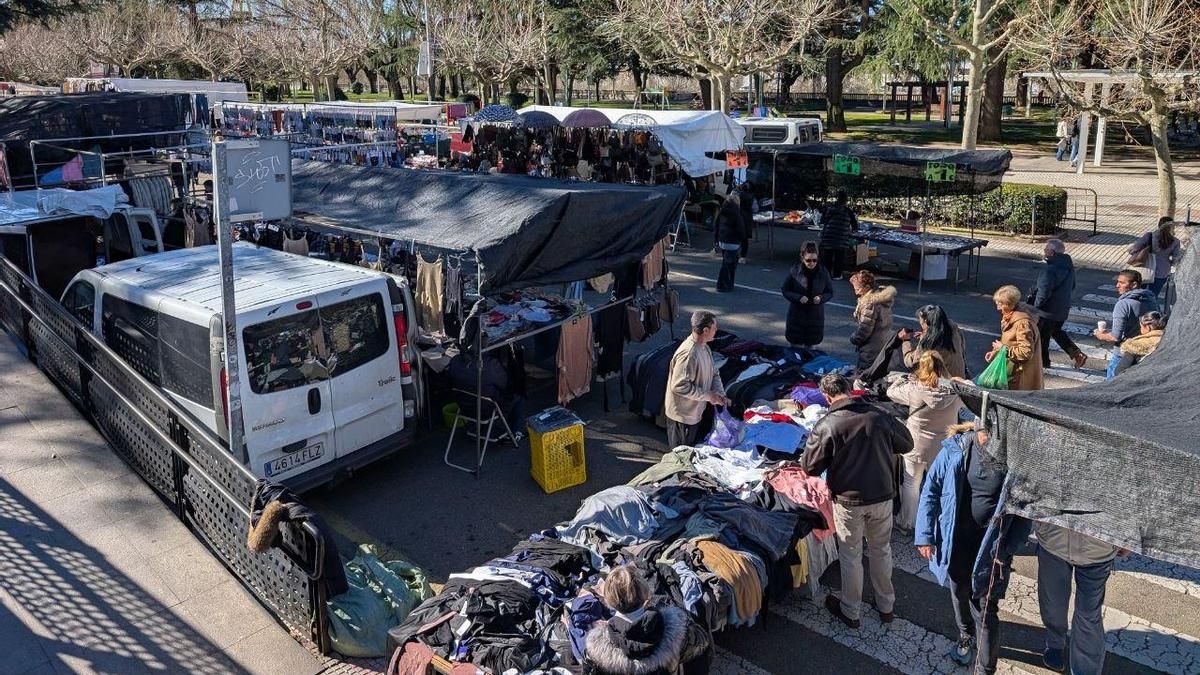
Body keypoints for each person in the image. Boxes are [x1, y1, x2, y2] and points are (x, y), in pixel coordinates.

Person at [915, 418, 1030, 673]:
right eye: (989, 435)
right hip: (955, 542)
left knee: (986, 610)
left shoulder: (1014, 460)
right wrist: (924, 534)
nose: (995, 442)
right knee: (959, 593)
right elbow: (931, 489)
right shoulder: (954, 450)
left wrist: (1006, 549)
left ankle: (985, 669)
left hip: (991, 551)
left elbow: (1024, 513)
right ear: (977, 430)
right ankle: (965, 635)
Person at [802, 373, 914, 628]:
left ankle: (851, 611)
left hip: (848, 501)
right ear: (851, 390)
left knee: (851, 555)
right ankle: (886, 606)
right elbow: (907, 444)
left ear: (827, 396)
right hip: (882, 496)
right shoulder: (879, 415)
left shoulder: (828, 424)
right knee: (881, 550)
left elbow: (809, 466)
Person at [886, 352, 964, 532]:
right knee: (941, 485)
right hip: (943, 447)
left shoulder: (915, 389)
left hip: (915, 444)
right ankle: (939, 524)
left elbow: (891, 392)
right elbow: (972, 392)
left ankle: (907, 523)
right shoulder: (954, 392)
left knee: (911, 483)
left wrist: (902, 380)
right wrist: (960, 381)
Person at [1035, 522, 1125, 674]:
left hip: (1098, 550)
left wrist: (1135, 538)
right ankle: (1055, 643)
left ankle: (1085, 670)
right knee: (1052, 602)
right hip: (1053, 540)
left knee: (1088, 613)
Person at [584, 565, 693, 675]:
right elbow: (702, 644)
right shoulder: (678, 628)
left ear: (608, 601)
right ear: (646, 594)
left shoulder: (596, 649)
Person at [664, 311, 728, 448]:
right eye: (714, 327)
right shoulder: (689, 354)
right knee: (680, 457)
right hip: (682, 417)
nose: (717, 330)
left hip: (694, 413)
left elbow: (713, 372)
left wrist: (720, 393)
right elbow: (679, 386)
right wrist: (709, 396)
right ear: (705, 330)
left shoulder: (704, 348)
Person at [1028, 239, 1087, 370]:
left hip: (1047, 312)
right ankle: (1077, 354)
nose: (1044, 252)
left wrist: (1034, 309)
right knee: (1056, 331)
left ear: (1052, 252)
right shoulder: (1069, 267)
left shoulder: (1049, 271)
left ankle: (1043, 363)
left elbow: (1043, 294)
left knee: (1041, 338)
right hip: (1062, 309)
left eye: (1046, 250)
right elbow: (1072, 286)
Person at [1094, 269, 1158, 379]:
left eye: (1122, 283)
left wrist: (1100, 334)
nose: (1117, 285)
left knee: (1111, 385)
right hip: (1143, 352)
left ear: (1134, 284)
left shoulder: (1123, 304)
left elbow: (1115, 336)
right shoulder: (1151, 300)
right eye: (1118, 282)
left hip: (1122, 354)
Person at [987, 285, 1043, 390]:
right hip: (1013, 371)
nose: (997, 307)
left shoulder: (1022, 323)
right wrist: (996, 352)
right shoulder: (1012, 316)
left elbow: (1025, 352)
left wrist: (1003, 349)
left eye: (1000, 304)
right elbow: (1011, 341)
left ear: (1009, 304)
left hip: (1019, 377)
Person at [781, 241, 834, 348]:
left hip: (815, 317)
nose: (812, 263)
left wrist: (821, 298)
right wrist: (798, 298)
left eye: (814, 260)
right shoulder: (795, 271)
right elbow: (785, 290)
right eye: (808, 260)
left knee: (811, 351)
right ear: (802, 258)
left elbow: (830, 292)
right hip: (797, 316)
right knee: (795, 350)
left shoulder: (823, 272)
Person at [897, 304, 969, 379]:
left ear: (925, 322)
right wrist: (924, 335)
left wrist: (906, 340)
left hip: (944, 383)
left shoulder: (929, 341)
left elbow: (911, 362)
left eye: (920, 322)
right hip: (961, 378)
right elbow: (960, 349)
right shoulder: (955, 331)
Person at [849, 270, 897, 373]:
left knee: (865, 373)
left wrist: (854, 338)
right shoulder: (880, 298)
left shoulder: (869, 303)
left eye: (858, 288)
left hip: (871, 345)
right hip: (883, 340)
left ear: (867, 287)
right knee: (879, 369)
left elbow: (865, 329)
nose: (856, 292)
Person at [1127, 217, 1181, 298]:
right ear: (1172, 227)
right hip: (1162, 271)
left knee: (1137, 294)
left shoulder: (1150, 236)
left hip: (1145, 268)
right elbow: (1175, 258)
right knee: (1152, 296)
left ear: (1159, 225)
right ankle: (1149, 309)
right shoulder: (1175, 241)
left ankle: (1137, 308)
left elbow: (1133, 250)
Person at [820, 189, 858, 279]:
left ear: (837, 198)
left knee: (827, 257)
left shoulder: (830, 209)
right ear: (846, 200)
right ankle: (837, 275)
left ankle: (827, 274)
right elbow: (855, 225)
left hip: (829, 236)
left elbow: (823, 221)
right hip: (841, 238)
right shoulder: (848, 211)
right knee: (839, 258)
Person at [1114, 310, 1166, 376]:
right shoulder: (1164, 339)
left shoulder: (1136, 346)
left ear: (1147, 327)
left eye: (1141, 326)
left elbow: (1119, 371)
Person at [715, 191, 745, 292]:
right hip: (732, 242)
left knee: (726, 262)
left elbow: (716, 225)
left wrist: (716, 239)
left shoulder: (722, 211)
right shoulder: (737, 213)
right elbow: (740, 229)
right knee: (730, 265)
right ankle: (724, 284)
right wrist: (742, 241)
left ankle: (725, 284)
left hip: (722, 240)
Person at [738, 181, 756, 260]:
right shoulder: (752, 196)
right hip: (747, 217)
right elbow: (755, 208)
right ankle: (743, 256)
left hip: (739, 216)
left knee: (736, 236)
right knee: (744, 239)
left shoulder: (739, 195)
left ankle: (735, 254)